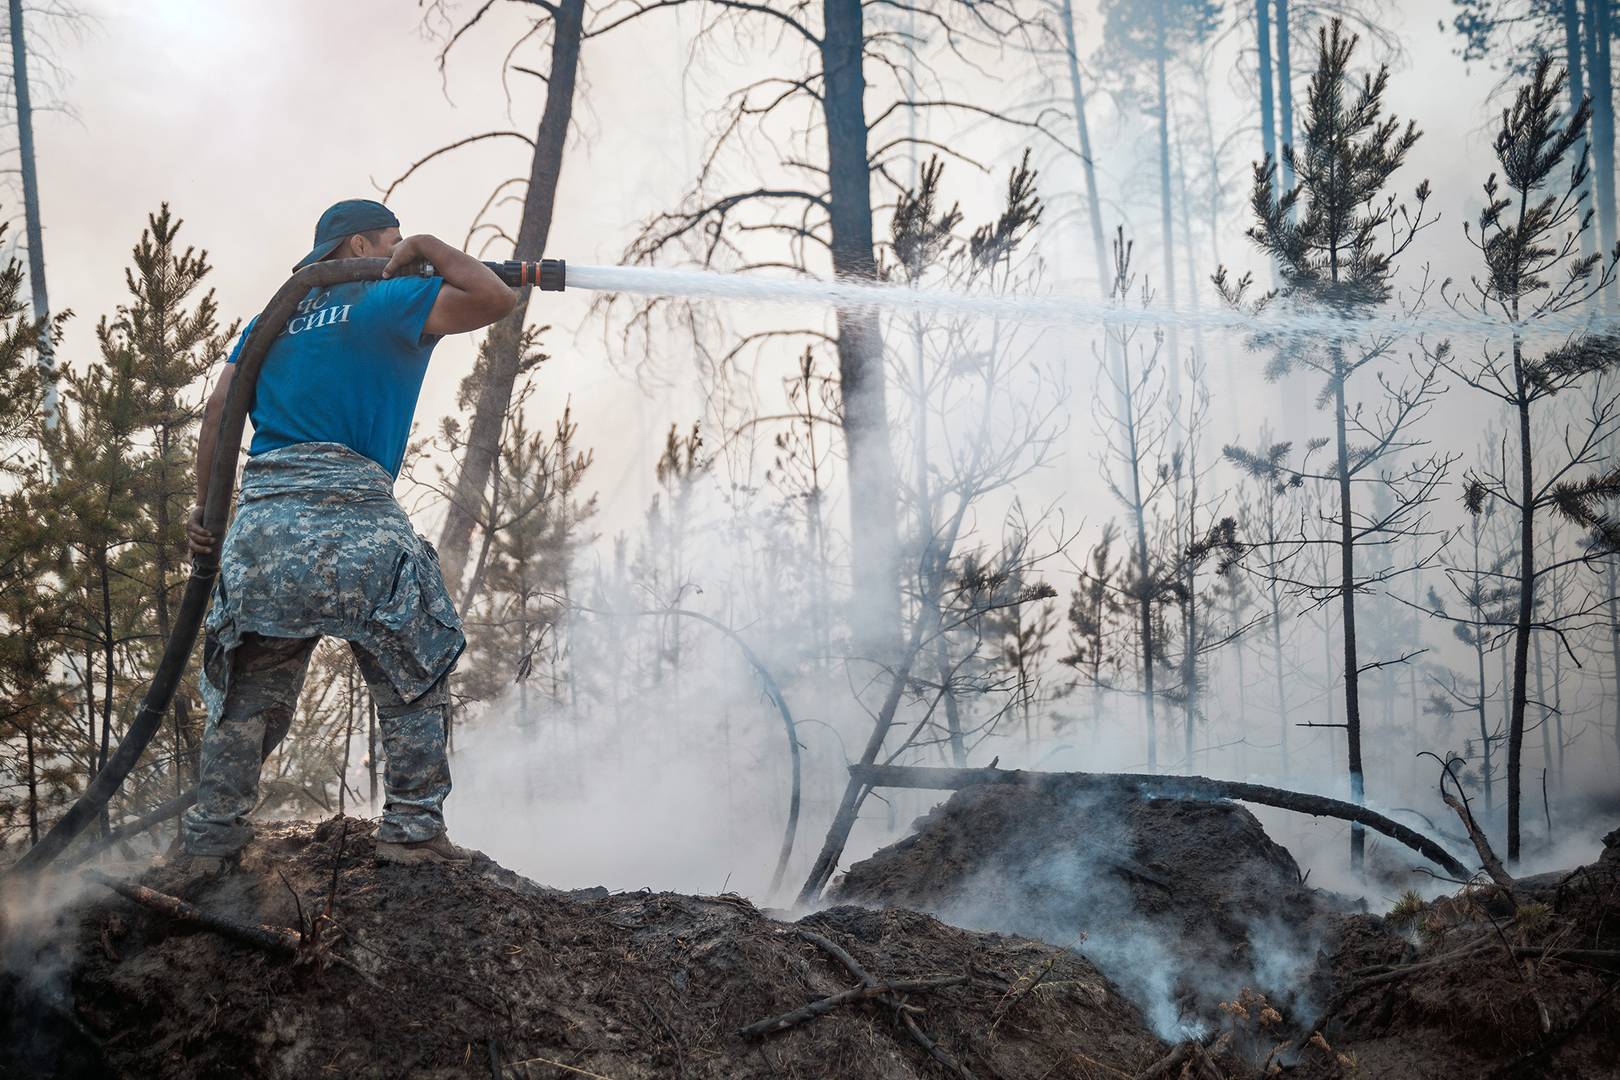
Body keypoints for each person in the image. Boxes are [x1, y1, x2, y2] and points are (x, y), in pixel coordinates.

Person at [177, 198, 516, 872]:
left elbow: (218, 412)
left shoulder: (270, 322)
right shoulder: (387, 302)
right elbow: (493, 296)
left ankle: (211, 841)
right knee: (413, 667)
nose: (400, 254)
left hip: (265, 531)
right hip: (358, 525)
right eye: (390, 240)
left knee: (249, 695)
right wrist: (430, 244)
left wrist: (206, 518)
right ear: (360, 244)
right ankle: (413, 830)